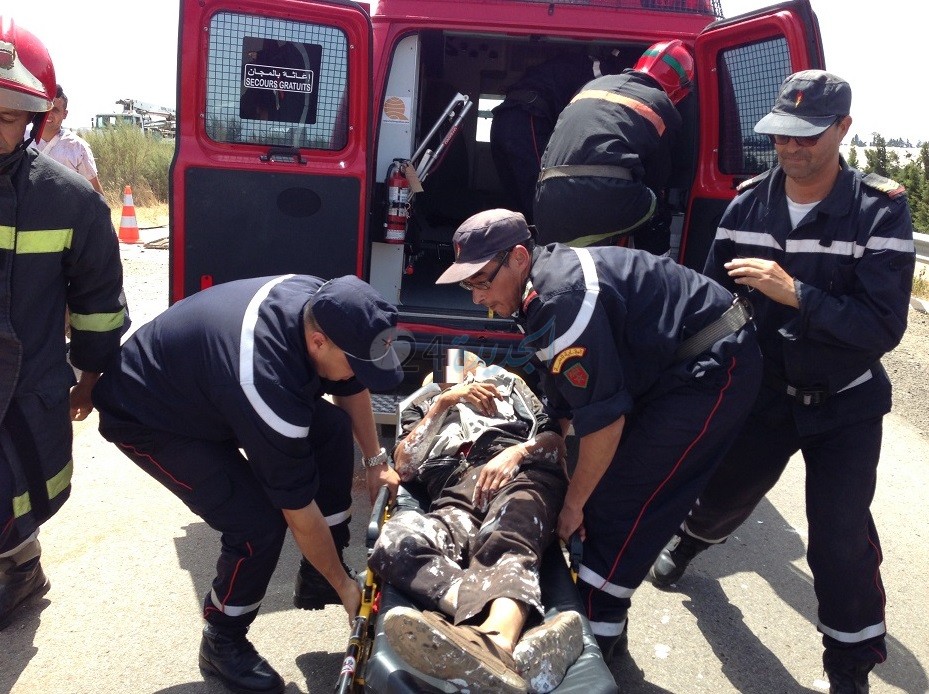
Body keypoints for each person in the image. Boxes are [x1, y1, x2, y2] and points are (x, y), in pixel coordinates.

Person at [648, 70, 916, 694]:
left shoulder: (879, 210)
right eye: (782, 137)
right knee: (720, 498)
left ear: (844, 129)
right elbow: (711, 306)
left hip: (846, 401)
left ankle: (848, 669)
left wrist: (796, 294)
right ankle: (690, 543)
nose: (793, 149)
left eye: (808, 137)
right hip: (765, 394)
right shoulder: (746, 204)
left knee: (839, 541)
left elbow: (881, 327)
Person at [435, 208, 763, 664]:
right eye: (468, 285)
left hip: (711, 366)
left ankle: (598, 639)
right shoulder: (535, 286)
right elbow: (560, 368)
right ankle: (601, 624)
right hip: (671, 361)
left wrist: (572, 506)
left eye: (482, 282)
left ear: (516, 257)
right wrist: (553, 429)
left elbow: (605, 424)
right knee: (603, 493)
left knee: (619, 505)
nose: (476, 298)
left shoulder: (562, 297)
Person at [92, 274, 404, 694]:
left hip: (208, 388)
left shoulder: (325, 305)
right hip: (149, 413)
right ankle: (223, 640)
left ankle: (316, 575)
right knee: (256, 522)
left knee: (330, 429)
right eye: (356, 361)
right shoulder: (265, 383)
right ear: (317, 344)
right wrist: (347, 588)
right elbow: (298, 512)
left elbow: (350, 385)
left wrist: (374, 461)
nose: (358, 373)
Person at [0, 19, 127, 628]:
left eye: (3, 117)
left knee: (12, 488)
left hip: (26, 383)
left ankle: (21, 570)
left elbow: (99, 300)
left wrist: (90, 375)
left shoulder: (69, 201)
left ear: (34, 119)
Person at [370, 363, 583, 694]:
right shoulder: (424, 405)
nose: (469, 376)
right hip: (455, 491)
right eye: (455, 373)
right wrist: (444, 402)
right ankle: (501, 636)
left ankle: (496, 639)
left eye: (473, 369)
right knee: (395, 542)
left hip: (519, 473)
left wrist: (517, 452)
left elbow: (556, 444)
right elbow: (405, 467)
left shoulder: (512, 390)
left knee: (508, 533)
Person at [533, 40, 694, 255]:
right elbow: (657, 176)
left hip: (546, 199)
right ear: (679, 91)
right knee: (656, 208)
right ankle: (658, 275)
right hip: (603, 200)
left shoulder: (590, 86)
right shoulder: (662, 104)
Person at [489, 50, 621, 221]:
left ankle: (522, 237)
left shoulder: (566, 64)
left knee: (517, 193)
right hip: (527, 116)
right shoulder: (599, 71)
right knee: (539, 190)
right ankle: (542, 240)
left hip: (504, 117)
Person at [30, 84, 106, 196]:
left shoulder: (77, 147)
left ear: (64, 114)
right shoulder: (21, 139)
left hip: (65, 211)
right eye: (45, 108)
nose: (48, 114)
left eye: (55, 110)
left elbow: (95, 191)